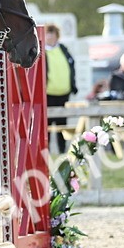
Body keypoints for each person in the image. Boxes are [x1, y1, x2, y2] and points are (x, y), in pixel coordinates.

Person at [44, 24, 78, 154]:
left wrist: (73, 86)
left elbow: (71, 67)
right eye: (48, 34)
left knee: (62, 125)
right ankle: (45, 152)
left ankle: (62, 152)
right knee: (46, 126)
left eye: (53, 34)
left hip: (64, 94)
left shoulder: (63, 49)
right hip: (47, 94)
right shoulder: (41, 50)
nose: (51, 37)